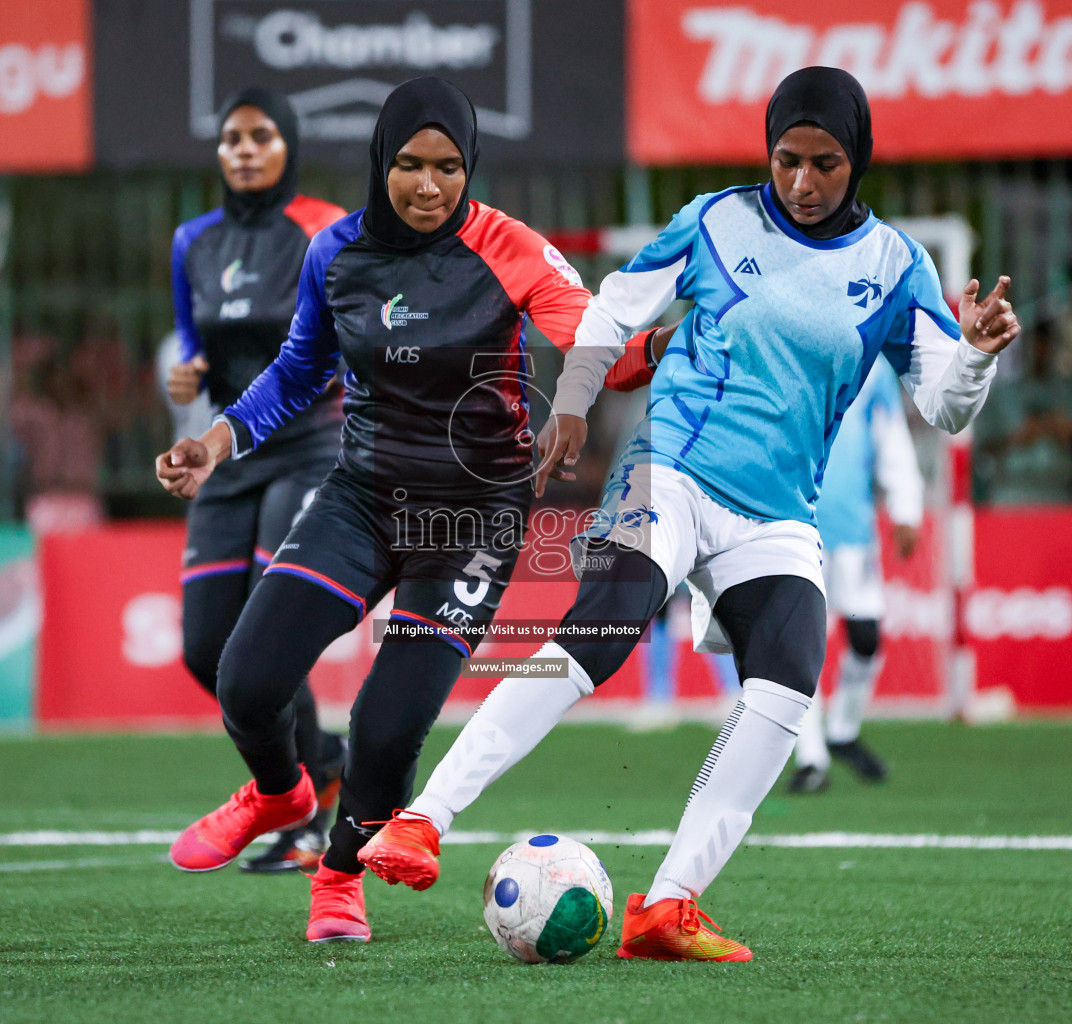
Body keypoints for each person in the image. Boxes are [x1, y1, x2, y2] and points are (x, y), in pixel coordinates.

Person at [358, 67, 1020, 962]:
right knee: (602, 627)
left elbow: (943, 405)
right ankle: (423, 820)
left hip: (779, 512)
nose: (802, 181)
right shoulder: (715, 219)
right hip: (668, 470)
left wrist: (973, 352)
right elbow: (611, 312)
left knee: (788, 679)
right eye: (787, 158)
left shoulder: (898, 267)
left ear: (856, 160)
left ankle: (669, 905)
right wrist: (575, 404)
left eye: (825, 162)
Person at [154, 77, 609, 942]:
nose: (427, 185)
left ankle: (336, 876)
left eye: (447, 167)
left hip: (472, 519)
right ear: (381, 163)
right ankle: (280, 790)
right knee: (245, 678)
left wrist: (603, 381)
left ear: (469, 166)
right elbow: (297, 372)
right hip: (361, 497)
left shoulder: (511, 247)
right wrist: (214, 443)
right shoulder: (337, 252)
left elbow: (592, 336)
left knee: (387, 722)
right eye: (408, 164)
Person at [166, 87, 350, 874]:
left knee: (266, 636)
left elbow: (346, 333)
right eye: (231, 138)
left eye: (260, 136)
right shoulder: (191, 241)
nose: (243, 150)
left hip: (311, 446)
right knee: (206, 648)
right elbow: (189, 333)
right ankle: (321, 766)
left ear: (289, 144)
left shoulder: (324, 227)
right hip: (228, 458)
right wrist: (187, 372)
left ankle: (299, 810)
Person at [788, 354, 924, 794]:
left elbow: (891, 436)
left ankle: (842, 731)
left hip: (852, 527)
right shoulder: (784, 353)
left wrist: (905, 506)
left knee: (865, 636)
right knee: (797, 646)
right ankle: (811, 758)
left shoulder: (872, 364)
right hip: (791, 524)